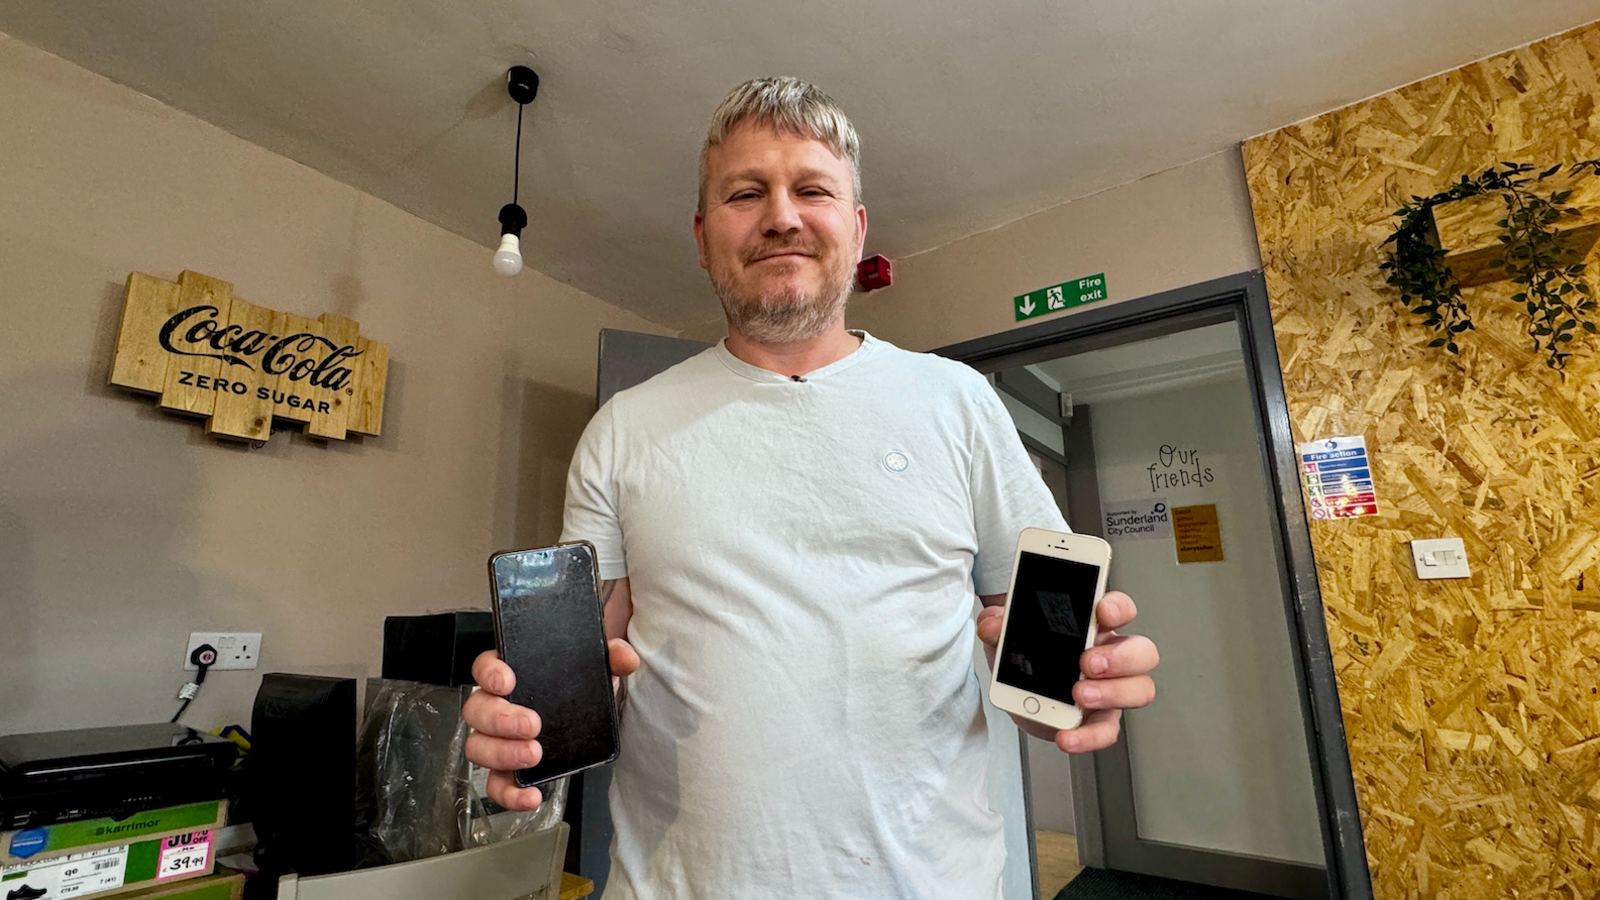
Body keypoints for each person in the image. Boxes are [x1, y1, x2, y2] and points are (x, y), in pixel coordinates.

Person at [462, 77, 1159, 899]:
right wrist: (524, 732)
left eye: (813, 189)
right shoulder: (623, 429)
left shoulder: (958, 402)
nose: (782, 216)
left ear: (856, 227)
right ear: (701, 234)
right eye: (746, 192)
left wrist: (1082, 690)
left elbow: (1044, 657)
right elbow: (589, 670)